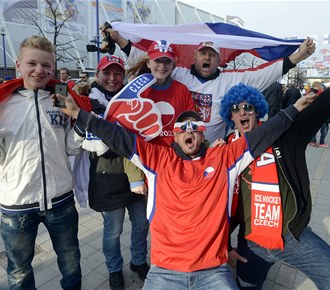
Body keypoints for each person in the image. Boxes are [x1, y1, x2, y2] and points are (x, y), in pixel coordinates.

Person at [56, 76, 316, 289]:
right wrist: (81, 115)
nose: (190, 130)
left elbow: (262, 134)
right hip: (164, 272)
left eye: (195, 127)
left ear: (202, 135)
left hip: (213, 272)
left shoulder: (223, 157)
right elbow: (118, 136)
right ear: (175, 137)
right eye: (183, 127)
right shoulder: (158, 158)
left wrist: (293, 110)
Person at [221, 22, 330, 290]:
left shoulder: (285, 135)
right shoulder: (226, 152)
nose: (242, 113)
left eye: (247, 107)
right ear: (230, 116)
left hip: (292, 237)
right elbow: (215, 208)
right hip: (251, 243)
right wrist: (226, 249)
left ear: (256, 110)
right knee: (247, 286)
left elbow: (327, 102)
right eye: (236, 109)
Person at [0, 35, 83, 290]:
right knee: (19, 271)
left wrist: (80, 127)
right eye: (32, 63)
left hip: (61, 200)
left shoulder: (62, 99)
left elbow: (69, 147)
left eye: (47, 65)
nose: (39, 70)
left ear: (53, 68)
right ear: (18, 65)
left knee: (71, 260)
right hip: (17, 206)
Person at [106, 27, 316, 143]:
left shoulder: (230, 80)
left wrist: (297, 56)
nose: (207, 58)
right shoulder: (178, 73)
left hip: (213, 149)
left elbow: (264, 74)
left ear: (218, 59)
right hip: (179, 146)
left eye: (212, 55)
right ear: (195, 57)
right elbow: (151, 59)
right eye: (203, 54)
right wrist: (120, 39)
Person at [83, 55, 150, 290]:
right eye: (107, 73)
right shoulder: (88, 102)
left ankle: (139, 261)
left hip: (135, 177)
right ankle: (113, 268)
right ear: (98, 74)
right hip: (107, 178)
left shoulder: (133, 100)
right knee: (113, 231)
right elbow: (99, 144)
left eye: (118, 73)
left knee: (142, 224)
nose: (112, 78)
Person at [126, 40, 195, 146]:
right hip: (143, 152)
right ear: (148, 63)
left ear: (173, 65)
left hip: (172, 153)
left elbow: (190, 121)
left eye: (167, 61)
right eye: (157, 60)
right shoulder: (136, 89)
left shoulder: (182, 90)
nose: (162, 66)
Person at [308, 82, 330, 148]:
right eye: (320, 87)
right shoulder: (314, 93)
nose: (321, 88)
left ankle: (314, 141)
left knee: (318, 128)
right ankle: (320, 142)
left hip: (318, 113)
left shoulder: (313, 92)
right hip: (319, 113)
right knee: (324, 128)